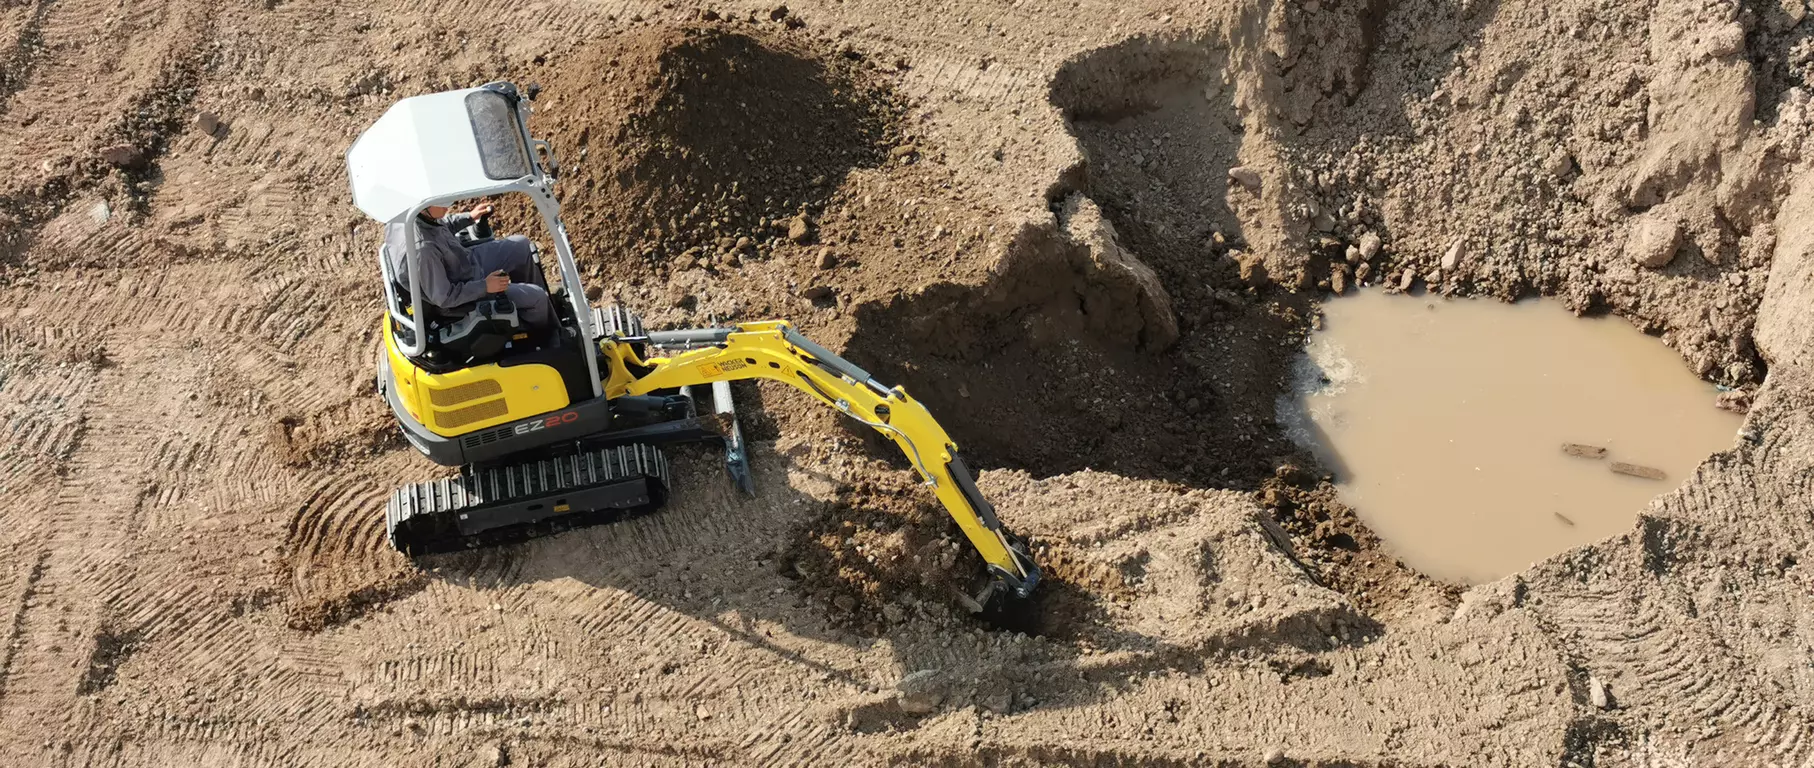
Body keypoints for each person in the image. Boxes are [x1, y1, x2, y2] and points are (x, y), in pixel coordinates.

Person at [385, 202, 552, 330]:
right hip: (463, 294)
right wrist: (485, 286)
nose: (447, 206)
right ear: (423, 207)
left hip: (463, 264)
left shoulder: (415, 214)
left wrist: (470, 217)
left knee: (521, 246)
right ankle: (540, 334)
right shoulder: (423, 250)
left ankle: (537, 308)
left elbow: (442, 225)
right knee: (537, 297)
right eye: (442, 204)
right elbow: (445, 297)